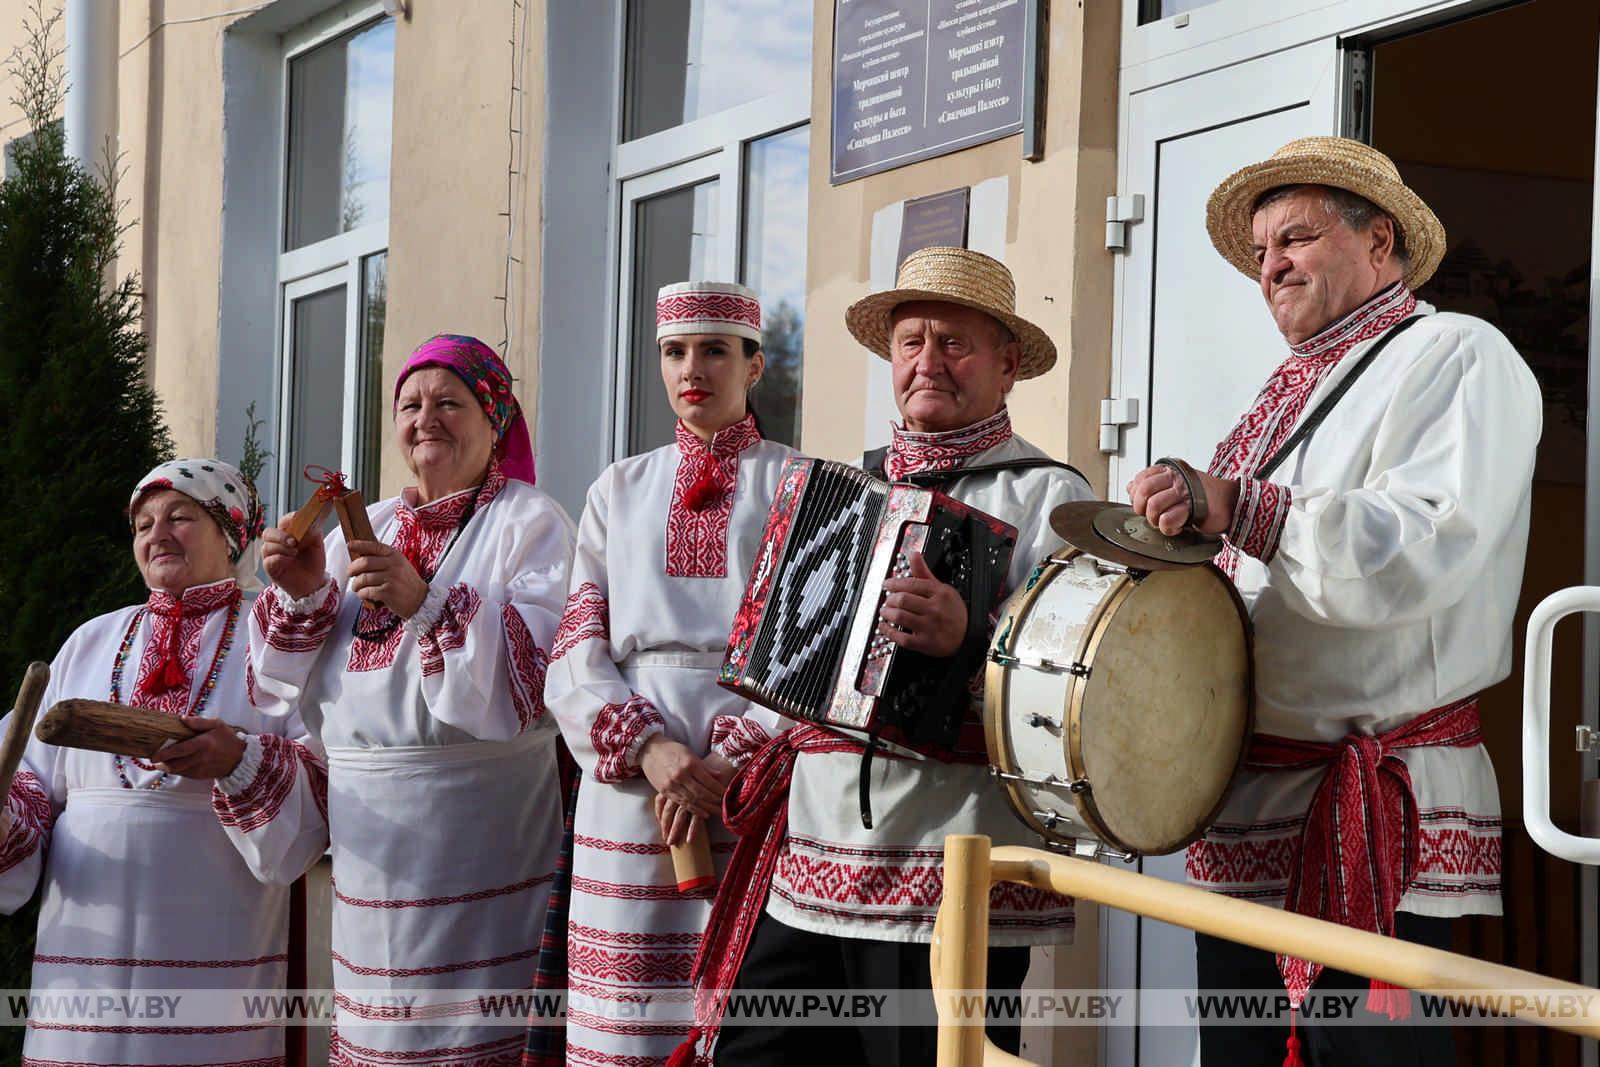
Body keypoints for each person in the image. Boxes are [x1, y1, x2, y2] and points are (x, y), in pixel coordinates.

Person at [1126, 137, 1541, 1066]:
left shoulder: (1457, 353)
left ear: (1379, 239)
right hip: (1248, 805)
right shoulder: (1289, 386)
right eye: (1261, 253)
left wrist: (1237, 502)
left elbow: (1423, 544)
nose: (1271, 267)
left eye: (1296, 238)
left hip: (1368, 808)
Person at [684, 247, 1094, 1065]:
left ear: (1009, 364)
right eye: (911, 342)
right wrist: (729, 753)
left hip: (950, 868)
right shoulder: (841, 483)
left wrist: (970, 639)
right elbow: (787, 650)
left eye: (955, 342)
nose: (927, 362)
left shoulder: (1052, 497)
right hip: (810, 859)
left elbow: (1078, 691)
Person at [251, 334, 575, 1066]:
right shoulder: (368, 528)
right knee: (378, 1034)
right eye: (409, 404)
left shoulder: (532, 522)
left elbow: (538, 673)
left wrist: (424, 601)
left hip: (480, 841)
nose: (425, 417)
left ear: (494, 421)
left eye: (448, 402)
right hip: (368, 855)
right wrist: (302, 592)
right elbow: (284, 687)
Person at [535, 281, 796, 1065]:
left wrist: (729, 760)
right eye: (676, 351)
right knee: (624, 1027)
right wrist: (652, 750)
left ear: (754, 365)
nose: (694, 369)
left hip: (753, 795)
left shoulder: (801, 481)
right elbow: (577, 645)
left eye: (716, 350)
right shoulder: (618, 488)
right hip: (629, 795)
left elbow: (812, 649)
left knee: (745, 1021)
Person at [0, 459, 327, 1065]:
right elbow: (31, 783)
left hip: (216, 917)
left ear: (232, 535)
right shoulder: (91, 638)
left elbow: (321, 765)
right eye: (143, 523)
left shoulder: (274, 634)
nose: (157, 534)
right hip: (86, 928)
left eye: (180, 516)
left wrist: (240, 758)